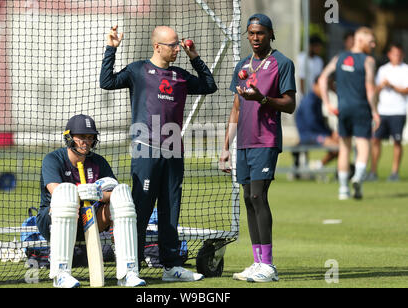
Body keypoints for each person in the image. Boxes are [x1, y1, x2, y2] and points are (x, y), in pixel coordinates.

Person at [99, 25, 217, 282]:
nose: (178, 48)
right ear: (157, 46)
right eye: (173, 45)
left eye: (178, 44)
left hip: (174, 151)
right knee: (140, 210)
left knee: (170, 210)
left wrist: (195, 56)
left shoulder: (181, 75)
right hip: (146, 150)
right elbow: (106, 82)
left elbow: (210, 85)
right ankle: (131, 268)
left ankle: (171, 267)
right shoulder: (138, 70)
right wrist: (111, 48)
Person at [219, 13, 296, 283]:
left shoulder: (282, 63)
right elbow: (237, 107)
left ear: (270, 34)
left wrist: (263, 98)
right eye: (251, 33)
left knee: (258, 197)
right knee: (248, 200)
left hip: (266, 140)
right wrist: (226, 146)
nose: (255, 37)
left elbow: (289, 104)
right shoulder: (242, 65)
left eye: (260, 33)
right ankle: (258, 262)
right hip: (244, 143)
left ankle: (269, 266)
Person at [36, 114, 146, 288]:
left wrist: (97, 194)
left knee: (123, 195)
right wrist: (80, 193)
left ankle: (128, 272)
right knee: (66, 195)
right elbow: (55, 191)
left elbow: (114, 191)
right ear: (69, 137)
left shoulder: (98, 162)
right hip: (53, 220)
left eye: (90, 137)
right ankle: (61, 274)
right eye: (81, 137)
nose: (86, 142)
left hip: (89, 220)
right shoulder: (53, 159)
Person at [318, 27, 380, 200]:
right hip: (361, 108)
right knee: (363, 145)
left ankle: (343, 189)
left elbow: (322, 78)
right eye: (371, 41)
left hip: (343, 109)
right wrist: (375, 111)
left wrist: (327, 103)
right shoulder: (368, 60)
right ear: (360, 40)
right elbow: (370, 88)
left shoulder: (339, 57)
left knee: (344, 147)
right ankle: (358, 177)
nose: (373, 45)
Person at [368, 43, 408, 181]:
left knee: (397, 142)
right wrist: (381, 86)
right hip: (382, 110)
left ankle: (394, 173)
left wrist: (393, 86)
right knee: (376, 140)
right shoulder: (383, 70)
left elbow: (406, 89)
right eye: (394, 54)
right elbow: (375, 89)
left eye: (399, 54)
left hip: (398, 110)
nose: (397, 57)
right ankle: (373, 172)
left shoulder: (405, 69)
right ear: (389, 55)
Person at [295, 77, 339, 168]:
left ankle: (320, 166)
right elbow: (311, 123)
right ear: (315, 85)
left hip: (316, 133)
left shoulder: (318, 100)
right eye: (323, 86)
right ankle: (318, 167)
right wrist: (328, 134)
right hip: (308, 135)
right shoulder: (309, 101)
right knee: (336, 147)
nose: (325, 89)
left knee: (341, 141)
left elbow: (319, 122)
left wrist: (331, 133)